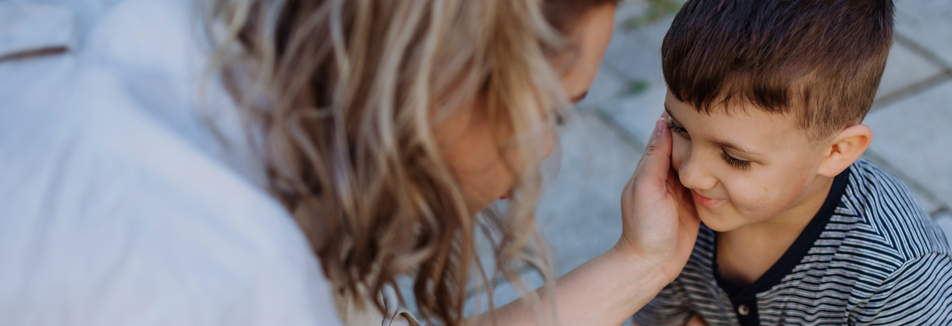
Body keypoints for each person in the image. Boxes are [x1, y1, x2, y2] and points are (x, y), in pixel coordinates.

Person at [0, 0, 699, 325]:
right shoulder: (222, 279)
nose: (547, 147)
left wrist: (642, 261)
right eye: (550, 112)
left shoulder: (206, 48)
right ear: (453, 77)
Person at [631, 0, 952, 325]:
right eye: (679, 128)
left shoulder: (895, 269)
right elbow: (662, 317)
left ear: (836, 152)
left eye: (734, 158)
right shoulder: (669, 205)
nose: (691, 175)